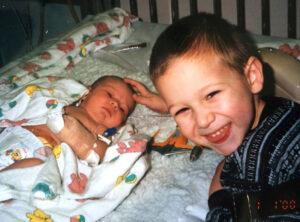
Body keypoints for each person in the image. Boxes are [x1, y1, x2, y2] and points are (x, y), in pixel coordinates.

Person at [124, 13, 300, 221]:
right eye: (182, 110)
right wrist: (170, 104)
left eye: (211, 95)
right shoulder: (285, 112)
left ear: (252, 76)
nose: (202, 121)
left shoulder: (259, 162)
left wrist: (217, 196)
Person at [1, 75, 135, 171]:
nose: (115, 104)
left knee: (33, 165)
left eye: (123, 109)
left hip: (43, 161)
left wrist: (95, 141)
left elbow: (99, 157)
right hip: (22, 138)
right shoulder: (69, 108)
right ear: (86, 94)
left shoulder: (105, 138)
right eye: (109, 95)